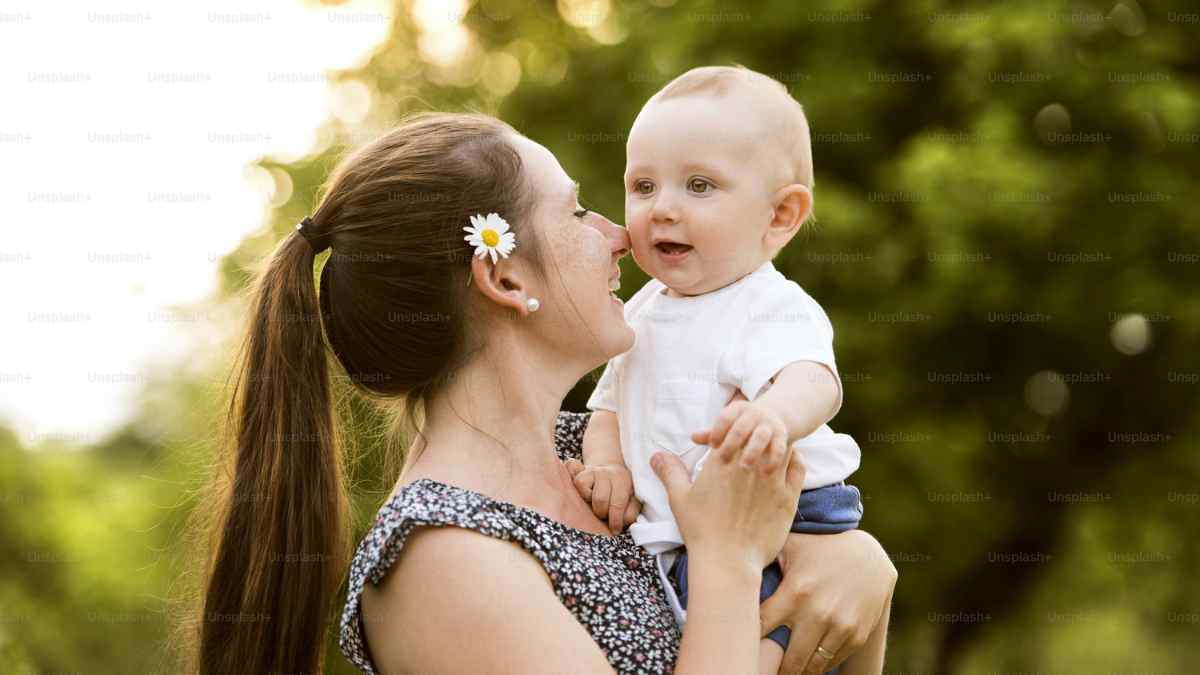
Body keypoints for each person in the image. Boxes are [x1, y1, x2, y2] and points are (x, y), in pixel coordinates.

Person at [184, 112, 897, 675]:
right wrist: (731, 564)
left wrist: (857, 571)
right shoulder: (445, 557)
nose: (623, 234)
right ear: (506, 279)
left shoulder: (604, 458)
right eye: (579, 212)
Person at [569, 66, 881, 674]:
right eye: (644, 185)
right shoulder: (640, 312)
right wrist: (606, 462)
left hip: (790, 519)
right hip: (690, 536)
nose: (663, 209)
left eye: (700, 186)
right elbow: (608, 404)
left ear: (781, 216)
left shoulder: (768, 304)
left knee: (771, 639)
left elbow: (814, 380)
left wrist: (771, 415)